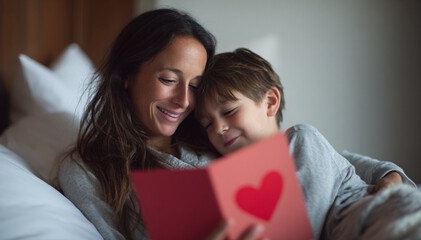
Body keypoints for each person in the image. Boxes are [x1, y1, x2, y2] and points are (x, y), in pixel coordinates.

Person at [57, 8, 415, 240]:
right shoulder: (88, 169)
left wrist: (388, 176)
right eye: (168, 79)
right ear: (126, 76)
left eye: (195, 86)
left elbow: (329, 159)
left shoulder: (209, 132)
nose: (184, 101)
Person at [195, 48, 421, 239]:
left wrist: (390, 175)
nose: (218, 128)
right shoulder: (240, 180)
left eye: (229, 111)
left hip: (382, 216)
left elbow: (304, 222)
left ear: (270, 102)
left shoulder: (302, 139)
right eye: (207, 125)